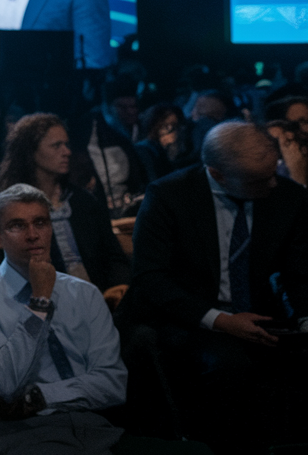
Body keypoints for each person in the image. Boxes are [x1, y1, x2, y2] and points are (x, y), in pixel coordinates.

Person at [121, 121, 308, 452]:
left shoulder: (287, 197)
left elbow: (299, 273)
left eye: (272, 172)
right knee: (230, 368)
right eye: (258, 180)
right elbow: (150, 279)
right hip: (189, 314)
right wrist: (221, 321)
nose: (272, 183)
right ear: (218, 174)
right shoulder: (169, 195)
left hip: (258, 311)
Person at [0, 184, 127, 454]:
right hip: (25, 434)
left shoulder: (84, 293)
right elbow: (4, 385)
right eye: (17, 225)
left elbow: (114, 384)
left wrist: (35, 397)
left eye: (40, 222)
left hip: (98, 428)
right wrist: (40, 303)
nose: (33, 235)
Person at [0, 114, 130, 305]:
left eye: (66, 144)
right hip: (44, 302)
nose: (67, 152)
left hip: (100, 298)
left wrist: (117, 286)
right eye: (56, 145)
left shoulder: (82, 201)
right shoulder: (12, 209)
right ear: (31, 151)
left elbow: (113, 255)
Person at [68, 76, 148, 218]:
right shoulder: (90, 133)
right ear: (108, 108)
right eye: (122, 107)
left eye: (133, 106)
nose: (130, 112)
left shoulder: (143, 130)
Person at [133, 103, 192, 184]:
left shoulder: (184, 150)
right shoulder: (145, 150)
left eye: (176, 126)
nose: (174, 132)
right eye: (167, 127)